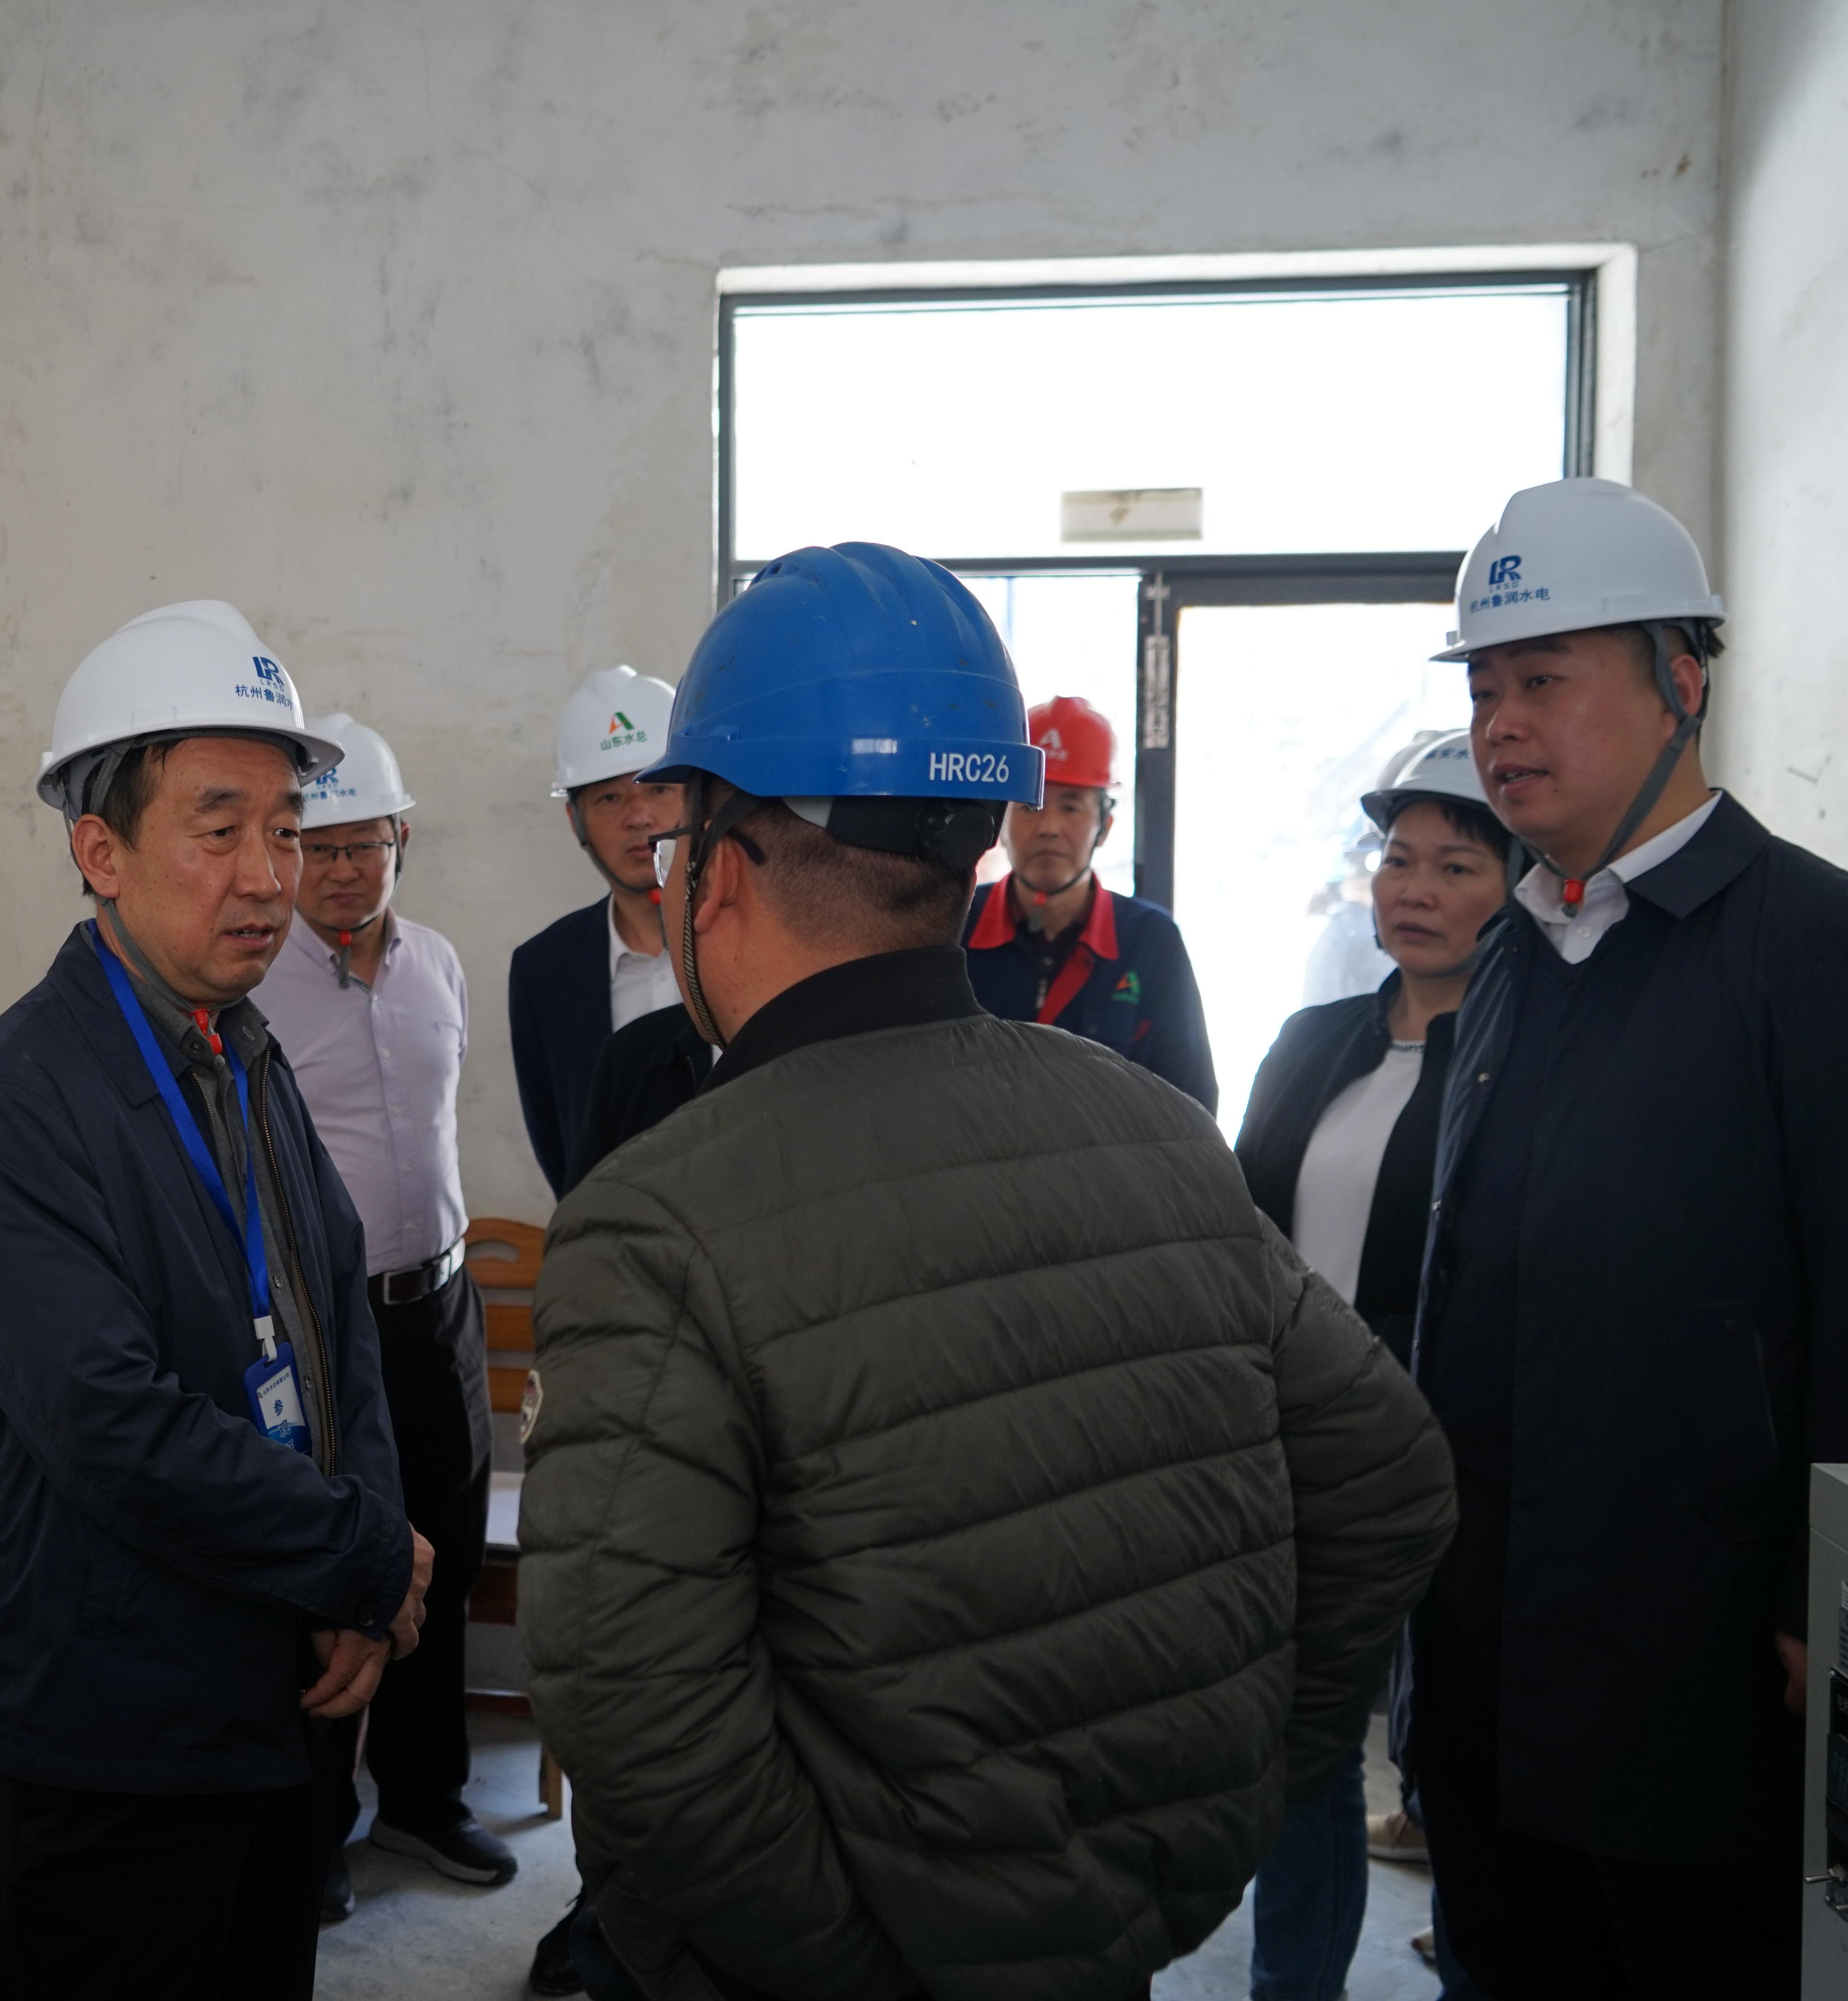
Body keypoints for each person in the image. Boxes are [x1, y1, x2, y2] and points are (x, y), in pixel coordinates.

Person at [518, 542, 1457, 2001]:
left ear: (718, 864)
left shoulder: (657, 1221)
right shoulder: (1153, 1130)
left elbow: (625, 1696)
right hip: (1115, 1941)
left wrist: (839, 1956)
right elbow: (1391, 1479)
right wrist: (1240, 1787)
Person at [1407, 477, 1848, 2000]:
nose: (1501, 725)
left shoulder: (1826, 948)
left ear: (1680, 683)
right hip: (1491, 1659)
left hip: (1707, 1682)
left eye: (1544, 680)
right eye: (1484, 688)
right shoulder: (1517, 952)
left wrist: (1836, 1610)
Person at [0, 601, 433, 2000]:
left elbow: (337, 1322)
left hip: (279, 1696)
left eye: (285, 828)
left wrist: (365, 1555)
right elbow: (112, 1424)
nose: (268, 876)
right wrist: (355, 1553)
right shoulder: (17, 1103)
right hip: (117, 1734)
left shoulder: (242, 1050)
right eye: (220, 830)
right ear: (101, 851)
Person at [1233, 728, 1513, 2001]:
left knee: (1456, 1750)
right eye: (1400, 859)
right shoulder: (1313, 1037)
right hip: (1296, 1448)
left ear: (1516, 889)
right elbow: (1242, 1225)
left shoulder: (1528, 1057)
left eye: (1457, 865)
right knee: (1303, 1747)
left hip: (1454, 1460)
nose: (1416, 888)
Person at [250, 712, 517, 1918]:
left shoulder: (438, 964)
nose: (348, 868)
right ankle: (311, 1830)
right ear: (291, 850)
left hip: (442, 1307)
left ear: (403, 838)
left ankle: (422, 1795)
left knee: (443, 1558)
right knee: (329, 1572)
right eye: (324, 845)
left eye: (370, 842)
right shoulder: (254, 987)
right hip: (324, 1325)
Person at [962, 695, 1220, 1112]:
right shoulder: (955, 925)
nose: (1049, 827)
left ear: (1105, 826)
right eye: (1030, 806)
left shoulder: (1150, 942)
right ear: (1001, 822)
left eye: (1071, 807)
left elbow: (1192, 1105)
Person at [508, 666, 706, 1195]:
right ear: (576, 822)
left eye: (658, 788)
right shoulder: (544, 969)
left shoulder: (761, 936)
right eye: (609, 799)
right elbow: (561, 1149)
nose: (639, 816)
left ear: (698, 798)